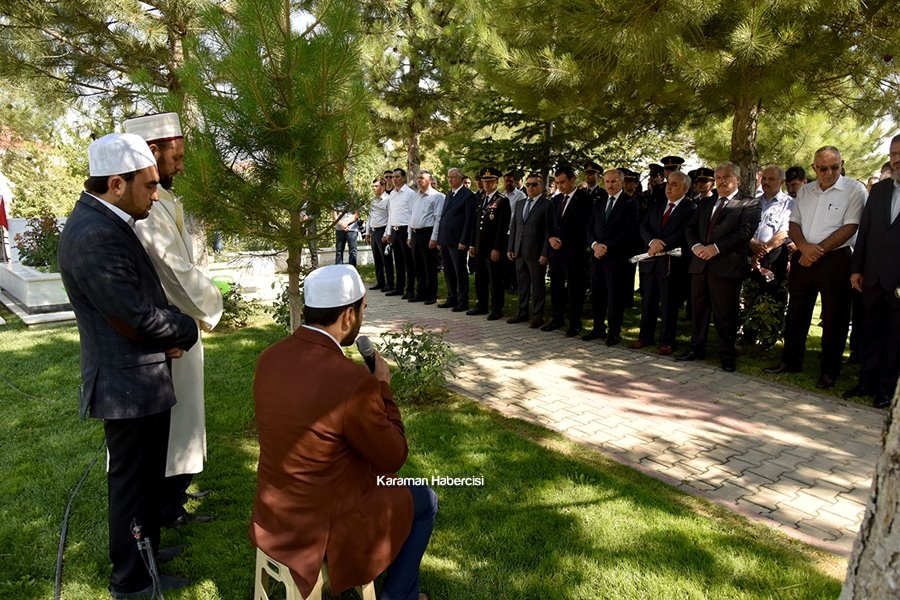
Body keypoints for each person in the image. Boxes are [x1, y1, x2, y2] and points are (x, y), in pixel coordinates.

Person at [58, 133, 198, 598]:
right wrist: (184, 330)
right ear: (116, 184)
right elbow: (135, 316)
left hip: (139, 378)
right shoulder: (95, 234)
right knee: (132, 485)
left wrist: (165, 333)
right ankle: (132, 580)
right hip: (127, 385)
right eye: (149, 185)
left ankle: (146, 554)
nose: (156, 195)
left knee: (144, 479)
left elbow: (138, 304)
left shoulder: (107, 220)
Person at [250, 265, 437, 600]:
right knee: (424, 498)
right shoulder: (353, 382)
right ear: (349, 316)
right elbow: (393, 457)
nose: (362, 318)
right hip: (323, 526)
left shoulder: (269, 357)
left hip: (273, 512)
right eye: (363, 309)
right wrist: (383, 388)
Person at [125, 112, 223, 530]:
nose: (181, 167)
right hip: (168, 325)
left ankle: (175, 492)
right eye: (177, 157)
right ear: (153, 151)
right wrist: (213, 302)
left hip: (179, 321)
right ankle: (167, 504)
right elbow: (174, 271)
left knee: (186, 414)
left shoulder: (161, 197)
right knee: (176, 418)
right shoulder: (145, 206)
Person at [765, 146, 866, 389]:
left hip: (836, 260)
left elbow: (850, 227)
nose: (829, 173)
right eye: (823, 168)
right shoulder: (806, 190)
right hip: (803, 256)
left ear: (842, 164)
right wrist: (804, 247)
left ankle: (829, 371)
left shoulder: (855, 189)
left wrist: (816, 251)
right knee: (796, 313)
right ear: (814, 168)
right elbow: (794, 223)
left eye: (835, 167)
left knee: (834, 318)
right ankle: (790, 361)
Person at [678, 162, 760, 372]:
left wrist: (715, 248)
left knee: (725, 314)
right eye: (719, 177)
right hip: (700, 264)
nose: (722, 181)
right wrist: (696, 247)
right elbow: (690, 227)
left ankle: (727, 355)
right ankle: (697, 348)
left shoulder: (749, 203)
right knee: (698, 310)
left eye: (727, 177)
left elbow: (745, 232)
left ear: (738, 180)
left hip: (726, 267)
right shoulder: (706, 202)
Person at [844, 134, 900, 408]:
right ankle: (865, 382)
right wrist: (857, 269)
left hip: (898, 281)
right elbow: (865, 231)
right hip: (873, 276)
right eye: (893, 154)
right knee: (869, 331)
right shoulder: (879, 190)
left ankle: (886, 390)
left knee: (895, 337)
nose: (897, 159)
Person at [632, 171, 696, 355]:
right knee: (648, 300)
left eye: (674, 184)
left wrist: (663, 243)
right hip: (651, 260)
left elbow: (685, 231)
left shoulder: (690, 208)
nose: (669, 187)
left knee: (669, 303)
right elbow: (643, 226)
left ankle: (667, 341)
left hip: (671, 264)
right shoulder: (657, 204)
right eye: (668, 183)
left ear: (685, 188)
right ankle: (645, 337)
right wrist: (652, 242)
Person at [583, 169, 637, 345]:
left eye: (614, 181)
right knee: (597, 294)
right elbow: (589, 228)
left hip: (616, 257)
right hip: (597, 256)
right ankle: (598, 328)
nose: (610, 185)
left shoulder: (630, 203)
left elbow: (628, 231)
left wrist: (607, 246)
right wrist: (594, 245)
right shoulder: (599, 202)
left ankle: (614, 331)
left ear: (621, 182)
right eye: (607, 181)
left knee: (614, 296)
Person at [742, 165, 793, 349]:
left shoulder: (789, 203)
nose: (766, 182)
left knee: (773, 293)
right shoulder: (754, 201)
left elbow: (784, 232)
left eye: (771, 179)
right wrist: (752, 244)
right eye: (764, 178)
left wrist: (764, 250)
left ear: (782, 182)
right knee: (750, 293)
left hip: (775, 255)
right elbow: (745, 226)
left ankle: (769, 338)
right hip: (751, 251)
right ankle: (749, 334)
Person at [543, 165, 593, 336]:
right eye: (557, 183)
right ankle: (557, 318)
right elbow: (549, 223)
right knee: (556, 286)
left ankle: (575, 322)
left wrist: (564, 241)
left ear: (573, 180)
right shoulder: (556, 200)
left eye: (563, 182)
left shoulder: (585, 199)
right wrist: (551, 238)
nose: (560, 186)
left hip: (574, 252)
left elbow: (585, 226)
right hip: (555, 251)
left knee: (575, 288)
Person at [506, 173, 550, 327]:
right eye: (528, 184)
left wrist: (545, 253)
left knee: (537, 285)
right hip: (519, 251)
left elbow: (548, 232)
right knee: (522, 284)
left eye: (534, 184)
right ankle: (522, 312)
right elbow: (514, 227)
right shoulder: (520, 203)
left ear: (541, 187)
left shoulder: (546, 205)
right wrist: (511, 247)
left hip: (536, 253)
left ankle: (538, 315)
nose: (530, 187)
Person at [467, 167, 511, 320]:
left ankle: (497, 308)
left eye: (490, 181)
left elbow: (502, 228)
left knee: (495, 279)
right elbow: (475, 225)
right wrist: (472, 244)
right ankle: (481, 305)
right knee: (480, 278)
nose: (486, 184)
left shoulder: (502, 201)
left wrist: (497, 248)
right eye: (484, 181)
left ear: (496, 182)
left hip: (492, 248)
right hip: (480, 247)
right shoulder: (480, 199)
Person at [433, 167, 476, 311]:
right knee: (448, 271)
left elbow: (469, 221)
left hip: (458, 241)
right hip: (446, 239)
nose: (450, 180)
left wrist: (464, 241)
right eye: (449, 177)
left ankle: (463, 301)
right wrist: (440, 239)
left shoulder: (467, 195)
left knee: (460, 271)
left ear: (460, 179)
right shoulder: (449, 195)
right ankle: (452, 297)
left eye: (453, 177)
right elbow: (443, 218)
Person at [407, 170, 443, 304]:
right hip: (415, 234)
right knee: (418, 265)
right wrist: (409, 236)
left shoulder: (437, 196)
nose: (419, 180)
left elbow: (438, 218)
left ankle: (431, 295)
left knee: (430, 266)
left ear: (430, 180)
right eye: (418, 178)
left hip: (428, 233)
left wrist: (434, 238)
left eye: (421, 178)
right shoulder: (415, 196)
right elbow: (411, 216)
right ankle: (420, 293)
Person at [385, 168, 416, 299]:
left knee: (408, 262)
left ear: (403, 177)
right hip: (395, 230)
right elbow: (391, 214)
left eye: (397, 176)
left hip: (405, 230)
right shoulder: (392, 194)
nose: (394, 179)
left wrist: (409, 235)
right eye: (393, 177)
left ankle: (410, 289)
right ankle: (399, 288)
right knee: (397, 261)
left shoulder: (410, 193)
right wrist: (388, 232)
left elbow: (412, 214)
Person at [366, 176, 393, 291]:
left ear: (383, 186)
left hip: (383, 230)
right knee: (377, 259)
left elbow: (390, 217)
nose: (374, 188)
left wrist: (386, 234)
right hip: (374, 231)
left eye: (376, 186)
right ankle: (380, 282)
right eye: (373, 186)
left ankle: (390, 283)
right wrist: (367, 233)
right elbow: (369, 217)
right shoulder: (372, 200)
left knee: (386, 259)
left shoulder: (388, 199)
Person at [333, 202, 360, 266]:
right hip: (339, 229)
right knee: (339, 251)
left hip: (352, 229)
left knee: (353, 251)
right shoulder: (336, 200)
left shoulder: (355, 199)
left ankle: (352, 269)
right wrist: (341, 224)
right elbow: (334, 215)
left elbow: (357, 215)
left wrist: (346, 224)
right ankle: (338, 269)